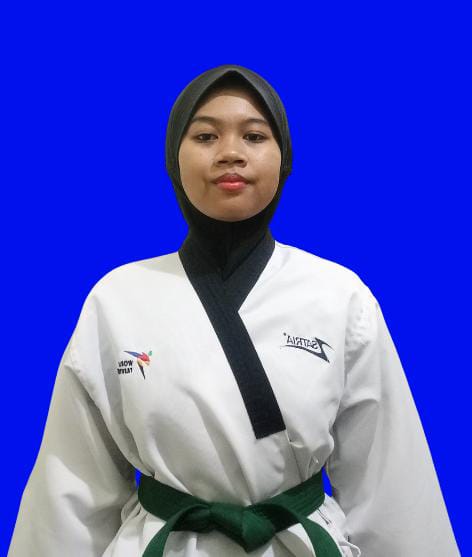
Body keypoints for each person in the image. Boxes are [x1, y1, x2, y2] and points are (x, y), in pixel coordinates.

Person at [8, 64, 460, 557]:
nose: (230, 153)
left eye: (254, 136)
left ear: (283, 160)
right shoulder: (116, 298)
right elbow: (73, 483)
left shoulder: (338, 294)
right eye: (205, 136)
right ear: (173, 159)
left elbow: (390, 478)